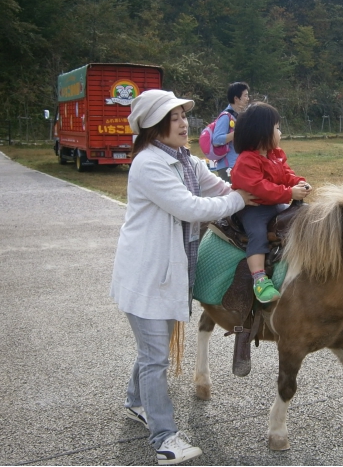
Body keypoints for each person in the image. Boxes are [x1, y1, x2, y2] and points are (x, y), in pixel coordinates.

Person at [110, 89, 256, 464]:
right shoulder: (149, 164)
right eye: (174, 117)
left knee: (151, 348)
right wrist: (241, 199)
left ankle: (135, 401)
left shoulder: (187, 162)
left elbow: (219, 188)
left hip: (168, 272)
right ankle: (164, 437)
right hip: (146, 274)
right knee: (155, 356)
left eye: (183, 116)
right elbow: (190, 207)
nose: (184, 123)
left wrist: (259, 192)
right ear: (154, 127)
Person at [230, 102, 312, 303]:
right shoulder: (247, 160)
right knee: (257, 234)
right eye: (276, 128)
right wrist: (289, 192)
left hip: (275, 201)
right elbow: (260, 187)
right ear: (261, 132)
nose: (280, 132)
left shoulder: (275, 154)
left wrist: (297, 182)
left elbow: (286, 174)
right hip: (254, 207)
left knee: (304, 218)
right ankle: (259, 278)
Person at [210, 81, 250, 182]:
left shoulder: (237, 116)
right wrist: (237, 133)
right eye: (245, 96)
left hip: (238, 164)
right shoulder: (225, 116)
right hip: (228, 167)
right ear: (236, 98)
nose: (247, 99)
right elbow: (217, 140)